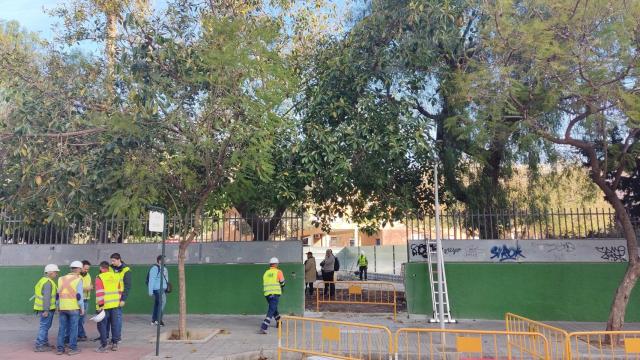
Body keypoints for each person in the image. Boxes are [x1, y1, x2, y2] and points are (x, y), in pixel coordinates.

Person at [56, 261, 84, 356]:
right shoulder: (78, 279)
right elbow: (79, 296)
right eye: (81, 269)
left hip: (62, 307)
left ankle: (60, 349)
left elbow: (58, 294)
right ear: (78, 269)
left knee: (62, 328)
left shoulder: (61, 279)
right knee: (73, 329)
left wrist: (57, 306)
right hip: (73, 307)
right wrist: (82, 308)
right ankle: (73, 348)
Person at [95, 261, 120, 353]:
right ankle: (115, 343)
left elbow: (99, 292)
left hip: (104, 306)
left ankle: (104, 345)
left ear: (101, 268)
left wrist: (100, 305)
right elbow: (119, 289)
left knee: (102, 325)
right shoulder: (116, 276)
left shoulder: (99, 277)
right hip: (114, 305)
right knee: (114, 324)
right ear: (108, 268)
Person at [33, 264, 59, 352]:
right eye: (55, 272)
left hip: (44, 308)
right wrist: (46, 310)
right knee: (44, 326)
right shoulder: (48, 282)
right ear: (50, 272)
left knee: (45, 326)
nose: (57, 274)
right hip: (46, 309)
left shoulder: (43, 280)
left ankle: (44, 342)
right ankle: (40, 344)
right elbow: (47, 297)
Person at [108, 253, 131, 351]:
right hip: (109, 297)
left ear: (119, 260)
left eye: (113, 261)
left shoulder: (126, 270)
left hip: (118, 298)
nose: (112, 262)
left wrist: (123, 299)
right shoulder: (110, 268)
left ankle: (116, 339)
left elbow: (127, 286)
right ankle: (113, 338)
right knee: (110, 320)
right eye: (111, 260)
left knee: (117, 319)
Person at [258, 257, 285, 334]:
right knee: (271, 309)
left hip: (267, 294)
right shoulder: (278, 272)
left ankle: (279, 322)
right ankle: (264, 326)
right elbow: (282, 282)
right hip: (275, 293)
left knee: (273, 308)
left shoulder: (266, 273)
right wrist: (282, 287)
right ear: (276, 264)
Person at [148, 255, 169, 326]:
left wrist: (166, 288)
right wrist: (150, 291)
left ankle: (154, 320)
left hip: (162, 289)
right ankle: (158, 320)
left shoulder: (164, 268)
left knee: (157, 304)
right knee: (163, 302)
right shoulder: (155, 268)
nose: (165, 261)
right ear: (159, 261)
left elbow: (165, 279)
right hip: (157, 289)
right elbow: (151, 280)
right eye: (164, 260)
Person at [77, 260, 92, 342]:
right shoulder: (77, 276)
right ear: (80, 267)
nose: (86, 271)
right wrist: (86, 288)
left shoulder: (88, 275)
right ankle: (81, 335)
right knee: (78, 318)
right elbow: (75, 288)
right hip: (79, 300)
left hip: (86, 299)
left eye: (88, 269)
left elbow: (89, 285)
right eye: (85, 269)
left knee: (82, 319)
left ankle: (80, 334)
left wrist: (90, 287)